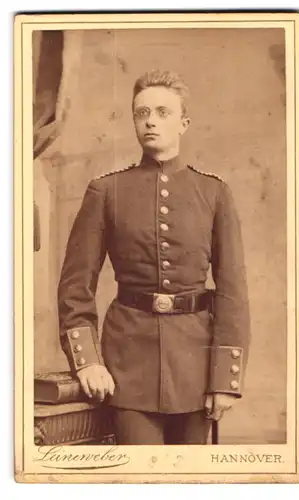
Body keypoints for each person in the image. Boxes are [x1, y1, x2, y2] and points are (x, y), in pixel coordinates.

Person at [58, 69, 251, 445]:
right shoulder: (105, 191)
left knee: (189, 482)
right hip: (127, 366)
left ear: (184, 123)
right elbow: (75, 286)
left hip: (196, 368)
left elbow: (233, 292)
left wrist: (224, 380)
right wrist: (88, 361)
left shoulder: (214, 193)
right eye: (141, 112)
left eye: (163, 112)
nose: (150, 121)